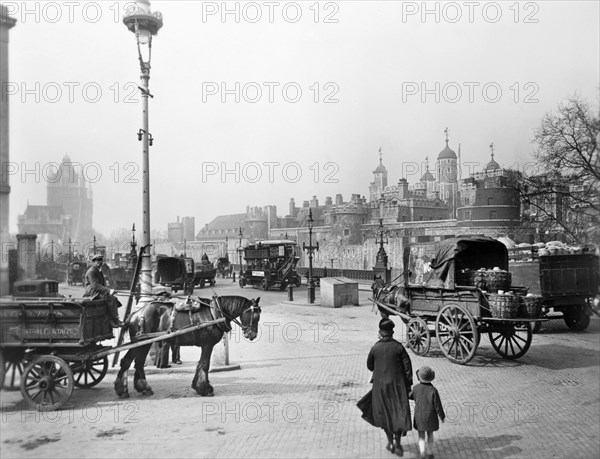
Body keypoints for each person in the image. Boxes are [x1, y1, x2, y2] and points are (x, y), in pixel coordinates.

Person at [358, 318, 413, 456]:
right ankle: (398, 444)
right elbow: (408, 368)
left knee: (385, 415)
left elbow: (370, 366)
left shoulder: (375, 348)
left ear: (380, 332)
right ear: (392, 332)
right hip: (398, 387)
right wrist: (408, 385)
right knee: (398, 414)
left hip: (380, 388)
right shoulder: (399, 347)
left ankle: (390, 443)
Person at [410, 366, 445, 459]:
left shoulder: (416, 388)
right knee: (430, 434)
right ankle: (429, 452)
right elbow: (438, 405)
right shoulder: (433, 390)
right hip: (431, 416)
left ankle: (422, 452)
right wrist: (442, 416)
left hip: (419, 416)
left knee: (421, 435)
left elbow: (410, 396)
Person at [84, 254, 124, 328]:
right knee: (111, 299)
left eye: (101, 260)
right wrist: (108, 290)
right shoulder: (91, 271)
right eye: (98, 260)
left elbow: (101, 284)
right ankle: (115, 320)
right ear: (94, 262)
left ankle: (111, 320)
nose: (100, 262)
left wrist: (110, 291)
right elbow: (95, 285)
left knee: (113, 299)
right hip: (92, 293)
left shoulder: (98, 270)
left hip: (98, 291)